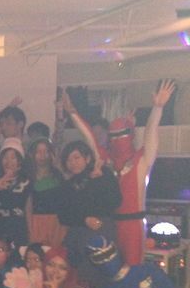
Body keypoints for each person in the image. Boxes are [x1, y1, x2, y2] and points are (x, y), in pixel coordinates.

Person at [64, 81, 176, 265]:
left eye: (122, 133)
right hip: (109, 224)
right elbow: (90, 138)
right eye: (113, 135)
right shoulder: (107, 159)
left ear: (130, 134)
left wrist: (157, 109)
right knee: (107, 269)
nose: (118, 139)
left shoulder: (140, 160)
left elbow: (151, 134)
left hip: (133, 225)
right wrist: (72, 113)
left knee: (132, 269)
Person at [56, 140, 122, 283]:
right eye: (68, 160)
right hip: (78, 234)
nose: (73, 163)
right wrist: (84, 220)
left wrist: (99, 180)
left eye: (76, 158)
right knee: (79, 276)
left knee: (103, 273)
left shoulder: (103, 174)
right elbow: (63, 215)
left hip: (102, 230)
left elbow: (115, 201)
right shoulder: (68, 185)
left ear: (87, 158)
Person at [26, 138, 67, 247]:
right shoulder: (28, 177)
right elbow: (28, 206)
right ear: (33, 154)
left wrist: (59, 167)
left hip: (57, 222)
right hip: (37, 222)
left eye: (46, 151)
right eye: (38, 152)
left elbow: (68, 194)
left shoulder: (58, 175)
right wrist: (30, 230)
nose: (42, 155)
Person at [0, 137, 31, 246]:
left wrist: (30, 234)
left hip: (18, 229)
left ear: (19, 161)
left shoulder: (26, 182)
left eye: (13, 158)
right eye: (5, 157)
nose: (8, 162)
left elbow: (28, 209)